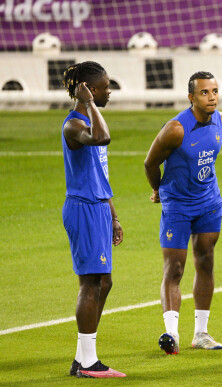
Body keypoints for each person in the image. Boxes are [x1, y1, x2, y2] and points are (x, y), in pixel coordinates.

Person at [144, 71, 222, 355]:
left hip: (208, 202)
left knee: (205, 261)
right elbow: (150, 164)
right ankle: (171, 334)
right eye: (204, 92)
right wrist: (158, 190)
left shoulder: (221, 121)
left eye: (214, 91)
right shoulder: (176, 129)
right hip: (177, 205)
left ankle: (201, 333)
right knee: (175, 268)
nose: (211, 96)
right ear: (191, 97)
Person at [61, 61, 126, 378]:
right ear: (88, 89)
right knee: (91, 283)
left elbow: (99, 172)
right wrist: (86, 102)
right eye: (104, 86)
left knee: (104, 281)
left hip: (99, 207)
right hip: (83, 207)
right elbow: (103, 139)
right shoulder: (74, 125)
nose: (109, 90)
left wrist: (113, 215)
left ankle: (81, 357)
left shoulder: (89, 118)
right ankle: (88, 363)